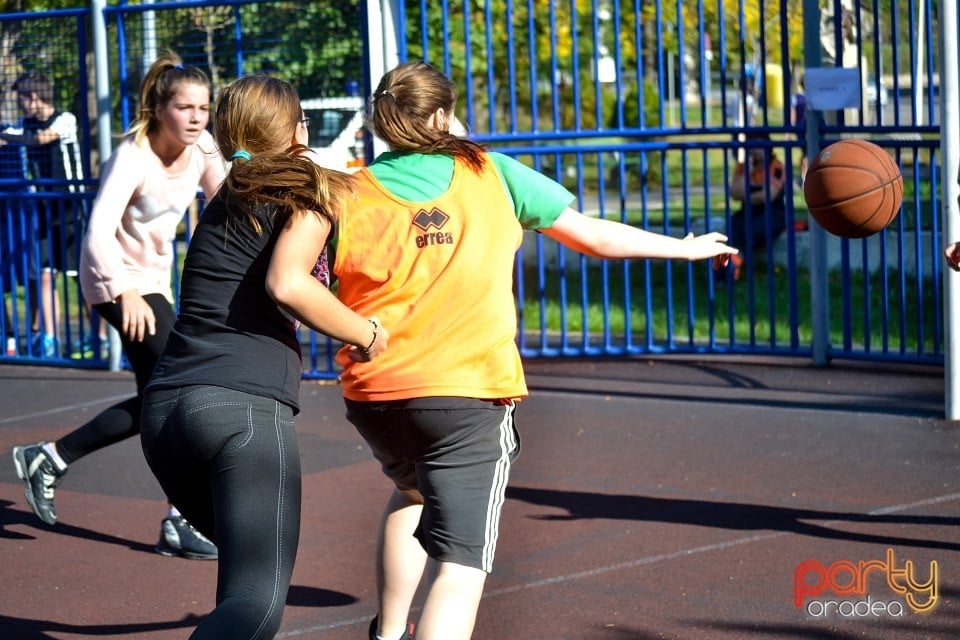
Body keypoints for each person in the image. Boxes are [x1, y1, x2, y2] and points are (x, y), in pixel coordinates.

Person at [330, 60, 738, 640]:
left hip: (375, 393)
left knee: (410, 491)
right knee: (461, 565)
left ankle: (389, 632)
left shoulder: (349, 191)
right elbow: (594, 236)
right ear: (444, 115)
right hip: (465, 396)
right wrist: (684, 247)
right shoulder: (491, 173)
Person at [140, 73, 387, 638]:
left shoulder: (226, 197)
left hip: (165, 413)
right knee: (254, 606)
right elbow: (289, 285)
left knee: (241, 585)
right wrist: (366, 334)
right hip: (241, 410)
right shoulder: (308, 186)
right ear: (297, 128)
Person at [10, 52, 224, 560]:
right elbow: (97, 232)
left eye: (203, 107)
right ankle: (182, 518)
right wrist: (123, 291)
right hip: (113, 282)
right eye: (185, 107)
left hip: (153, 283)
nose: (196, 117)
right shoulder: (133, 155)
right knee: (183, 388)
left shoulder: (203, 148)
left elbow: (222, 206)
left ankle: (51, 457)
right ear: (160, 108)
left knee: (159, 402)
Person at [0, 71, 84, 358]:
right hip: (44, 212)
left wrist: (9, 138)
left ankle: (101, 338)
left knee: (82, 279)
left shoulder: (65, 119)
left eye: (22, 97)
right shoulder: (23, 126)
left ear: (33, 96)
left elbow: (42, 139)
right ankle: (50, 339)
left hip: (71, 209)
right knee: (45, 276)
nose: (20, 103)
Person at [726, 133, 787, 280]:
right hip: (748, 212)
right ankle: (728, 268)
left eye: (759, 146)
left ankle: (733, 268)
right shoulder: (742, 167)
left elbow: (768, 196)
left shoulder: (776, 167)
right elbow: (734, 193)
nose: (755, 150)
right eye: (752, 146)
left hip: (773, 213)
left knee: (750, 232)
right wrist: (748, 170)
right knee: (733, 228)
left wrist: (746, 195)